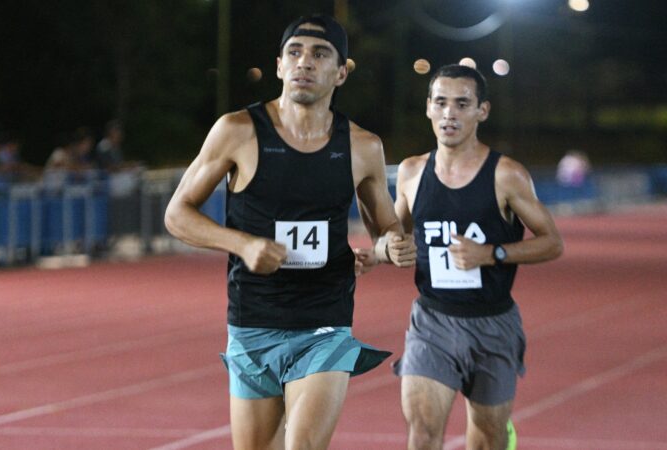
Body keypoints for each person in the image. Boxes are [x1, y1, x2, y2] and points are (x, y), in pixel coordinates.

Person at [165, 14, 415, 450]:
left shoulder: (362, 146)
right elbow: (177, 214)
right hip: (253, 321)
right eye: (295, 52)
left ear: (341, 72)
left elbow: (388, 228)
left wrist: (387, 247)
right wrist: (242, 243)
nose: (305, 62)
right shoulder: (237, 131)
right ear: (279, 65)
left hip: (324, 321)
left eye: (320, 54)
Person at [359, 64, 563, 449]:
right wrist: (379, 253)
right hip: (432, 320)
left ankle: (500, 433)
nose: (449, 113)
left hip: (492, 323)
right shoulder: (412, 171)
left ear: (481, 111)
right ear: (428, 108)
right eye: (441, 102)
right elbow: (397, 236)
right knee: (421, 430)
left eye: (462, 104)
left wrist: (491, 253)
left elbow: (552, 242)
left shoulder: (506, 174)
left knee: (487, 437)